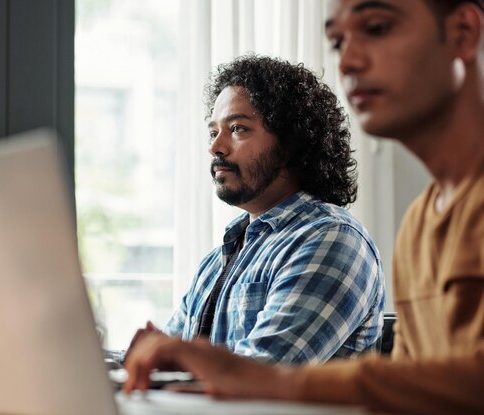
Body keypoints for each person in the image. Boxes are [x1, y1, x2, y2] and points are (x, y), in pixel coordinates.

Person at [123, 0, 484, 415]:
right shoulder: (420, 225)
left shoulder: (334, 237)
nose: (347, 60)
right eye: (336, 40)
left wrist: (258, 379)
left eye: (378, 27)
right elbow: (415, 391)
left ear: (463, 33)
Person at [127, 56, 385, 364]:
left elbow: (262, 373)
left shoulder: (334, 239)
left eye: (237, 128)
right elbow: (166, 362)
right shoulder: (218, 259)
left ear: (291, 143)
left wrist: (170, 358)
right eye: (213, 132)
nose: (216, 147)